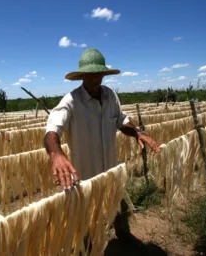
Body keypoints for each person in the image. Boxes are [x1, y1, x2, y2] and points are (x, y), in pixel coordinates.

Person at [44, 48, 160, 249]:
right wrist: (55, 153)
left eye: (99, 73)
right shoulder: (71, 101)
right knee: (85, 214)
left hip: (111, 168)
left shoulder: (109, 96)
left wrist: (137, 133)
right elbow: (52, 129)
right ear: (82, 75)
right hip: (86, 175)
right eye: (91, 73)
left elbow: (121, 120)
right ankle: (86, 247)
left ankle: (123, 235)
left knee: (119, 204)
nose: (95, 77)